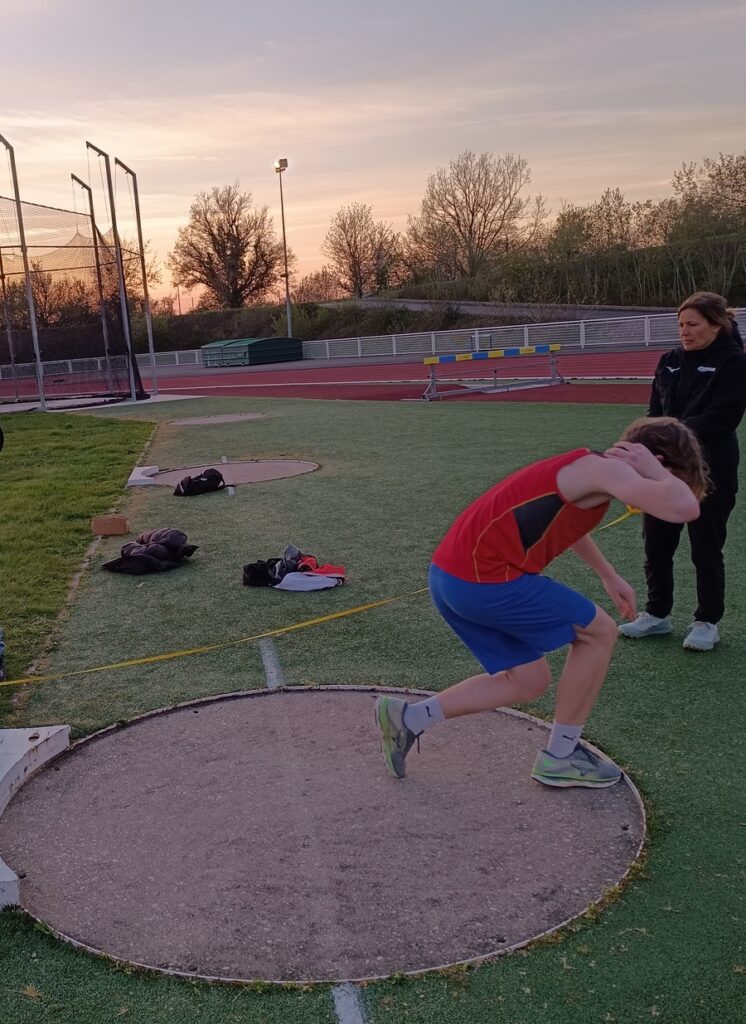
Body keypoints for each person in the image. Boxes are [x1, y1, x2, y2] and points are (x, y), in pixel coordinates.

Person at [374, 417, 707, 788]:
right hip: (483, 580)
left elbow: (568, 524)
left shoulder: (590, 469)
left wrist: (608, 573)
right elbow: (683, 508)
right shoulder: (610, 469)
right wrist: (652, 471)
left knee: (528, 679)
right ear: (657, 460)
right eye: (672, 474)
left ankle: (410, 720)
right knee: (599, 632)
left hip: (449, 576)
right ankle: (560, 757)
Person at [619, 293, 746, 651]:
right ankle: (657, 614)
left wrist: (667, 437)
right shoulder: (669, 361)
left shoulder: (733, 362)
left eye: (693, 324)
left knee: (705, 547)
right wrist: (647, 444)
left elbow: (723, 417)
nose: (685, 332)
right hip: (665, 471)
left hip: (710, 471)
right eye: (680, 325)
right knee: (657, 544)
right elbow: (654, 409)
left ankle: (707, 621)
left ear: (716, 324)